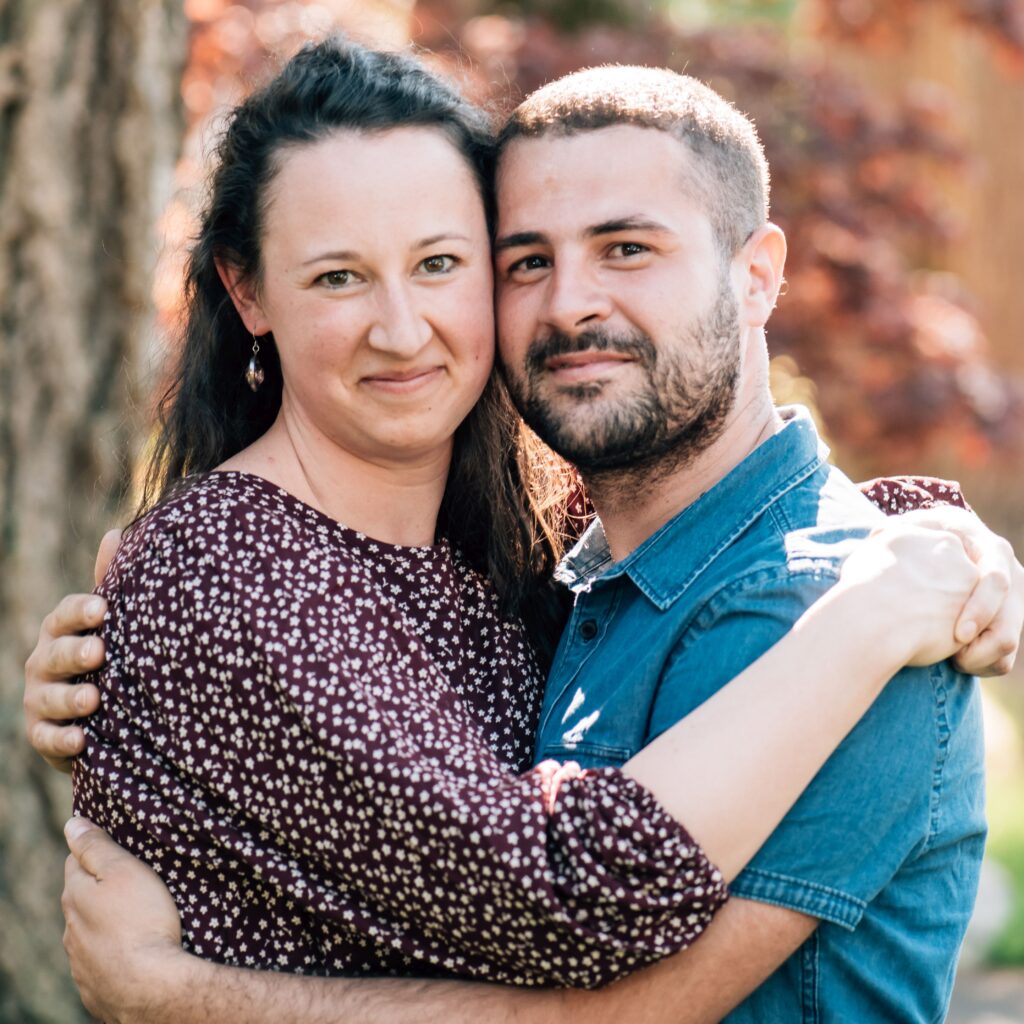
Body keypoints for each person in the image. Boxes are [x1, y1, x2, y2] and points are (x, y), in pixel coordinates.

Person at [24, 42, 1023, 1024]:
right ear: (248, 292)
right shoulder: (238, 569)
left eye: (441, 263)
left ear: (758, 274)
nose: (403, 328)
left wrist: (931, 538)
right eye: (337, 277)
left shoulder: (528, 556)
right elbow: (563, 899)